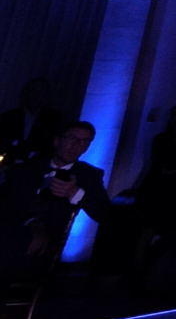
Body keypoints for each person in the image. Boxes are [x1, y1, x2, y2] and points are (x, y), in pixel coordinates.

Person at [0, 119, 111, 280]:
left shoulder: (88, 175)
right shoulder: (27, 168)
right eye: (72, 138)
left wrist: (76, 193)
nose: (76, 146)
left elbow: (105, 214)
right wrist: (33, 223)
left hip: (44, 246)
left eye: (84, 142)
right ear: (57, 141)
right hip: (13, 229)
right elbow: (8, 205)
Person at [0, 77, 63, 159]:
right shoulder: (9, 116)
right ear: (26, 92)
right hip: (8, 161)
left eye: (41, 92)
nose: (36, 95)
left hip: (37, 163)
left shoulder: (53, 119)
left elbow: (51, 145)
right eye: (33, 90)